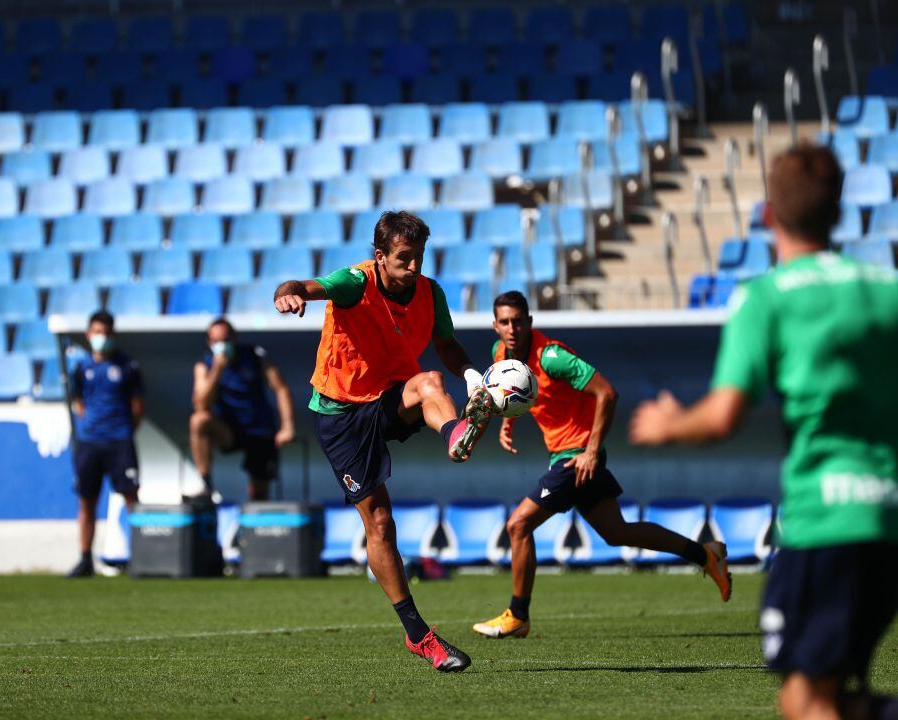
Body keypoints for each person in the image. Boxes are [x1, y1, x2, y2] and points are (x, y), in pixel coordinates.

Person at [630, 145, 897, 720]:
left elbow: (724, 416)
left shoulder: (767, 297)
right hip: (888, 520)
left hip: (824, 521)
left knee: (811, 701)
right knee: (807, 697)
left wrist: (669, 423)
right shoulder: (886, 289)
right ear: (839, 211)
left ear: (769, 214)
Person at [274, 210, 494, 673]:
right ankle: (419, 635)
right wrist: (287, 294)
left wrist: (472, 375)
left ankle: (457, 436)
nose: (413, 267)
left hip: (392, 396)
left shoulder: (430, 292)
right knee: (380, 522)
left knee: (431, 379)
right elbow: (306, 286)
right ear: (381, 257)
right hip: (341, 412)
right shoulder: (357, 281)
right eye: (403, 258)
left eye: (419, 257)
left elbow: (447, 343)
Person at [471, 291, 731, 639]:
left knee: (518, 525)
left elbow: (607, 392)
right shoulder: (498, 355)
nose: (512, 328)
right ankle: (705, 554)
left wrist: (591, 451)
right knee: (617, 532)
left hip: (576, 455)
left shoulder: (552, 357)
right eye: (504, 321)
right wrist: (509, 421)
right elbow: (519, 394)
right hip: (563, 455)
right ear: (495, 325)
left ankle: (518, 614)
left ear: (530, 322)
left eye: (518, 320)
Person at [66, 310, 145, 578]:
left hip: (119, 441)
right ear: (89, 335)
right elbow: (78, 401)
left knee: (131, 498)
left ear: (112, 335)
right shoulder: (81, 367)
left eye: (105, 333)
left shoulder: (127, 366)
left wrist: (121, 430)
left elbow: (137, 407)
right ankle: (85, 557)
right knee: (87, 501)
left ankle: (143, 556)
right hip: (90, 442)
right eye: (96, 332)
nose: (100, 338)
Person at [189, 318, 296, 501]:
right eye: (216, 342)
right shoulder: (204, 365)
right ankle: (206, 484)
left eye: (225, 340)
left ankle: (257, 524)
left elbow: (281, 388)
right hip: (229, 430)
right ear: (209, 343)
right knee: (198, 420)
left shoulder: (255, 356)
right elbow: (200, 404)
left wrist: (287, 427)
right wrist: (217, 370)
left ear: (235, 338)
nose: (222, 345)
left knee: (259, 494)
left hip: (259, 429)